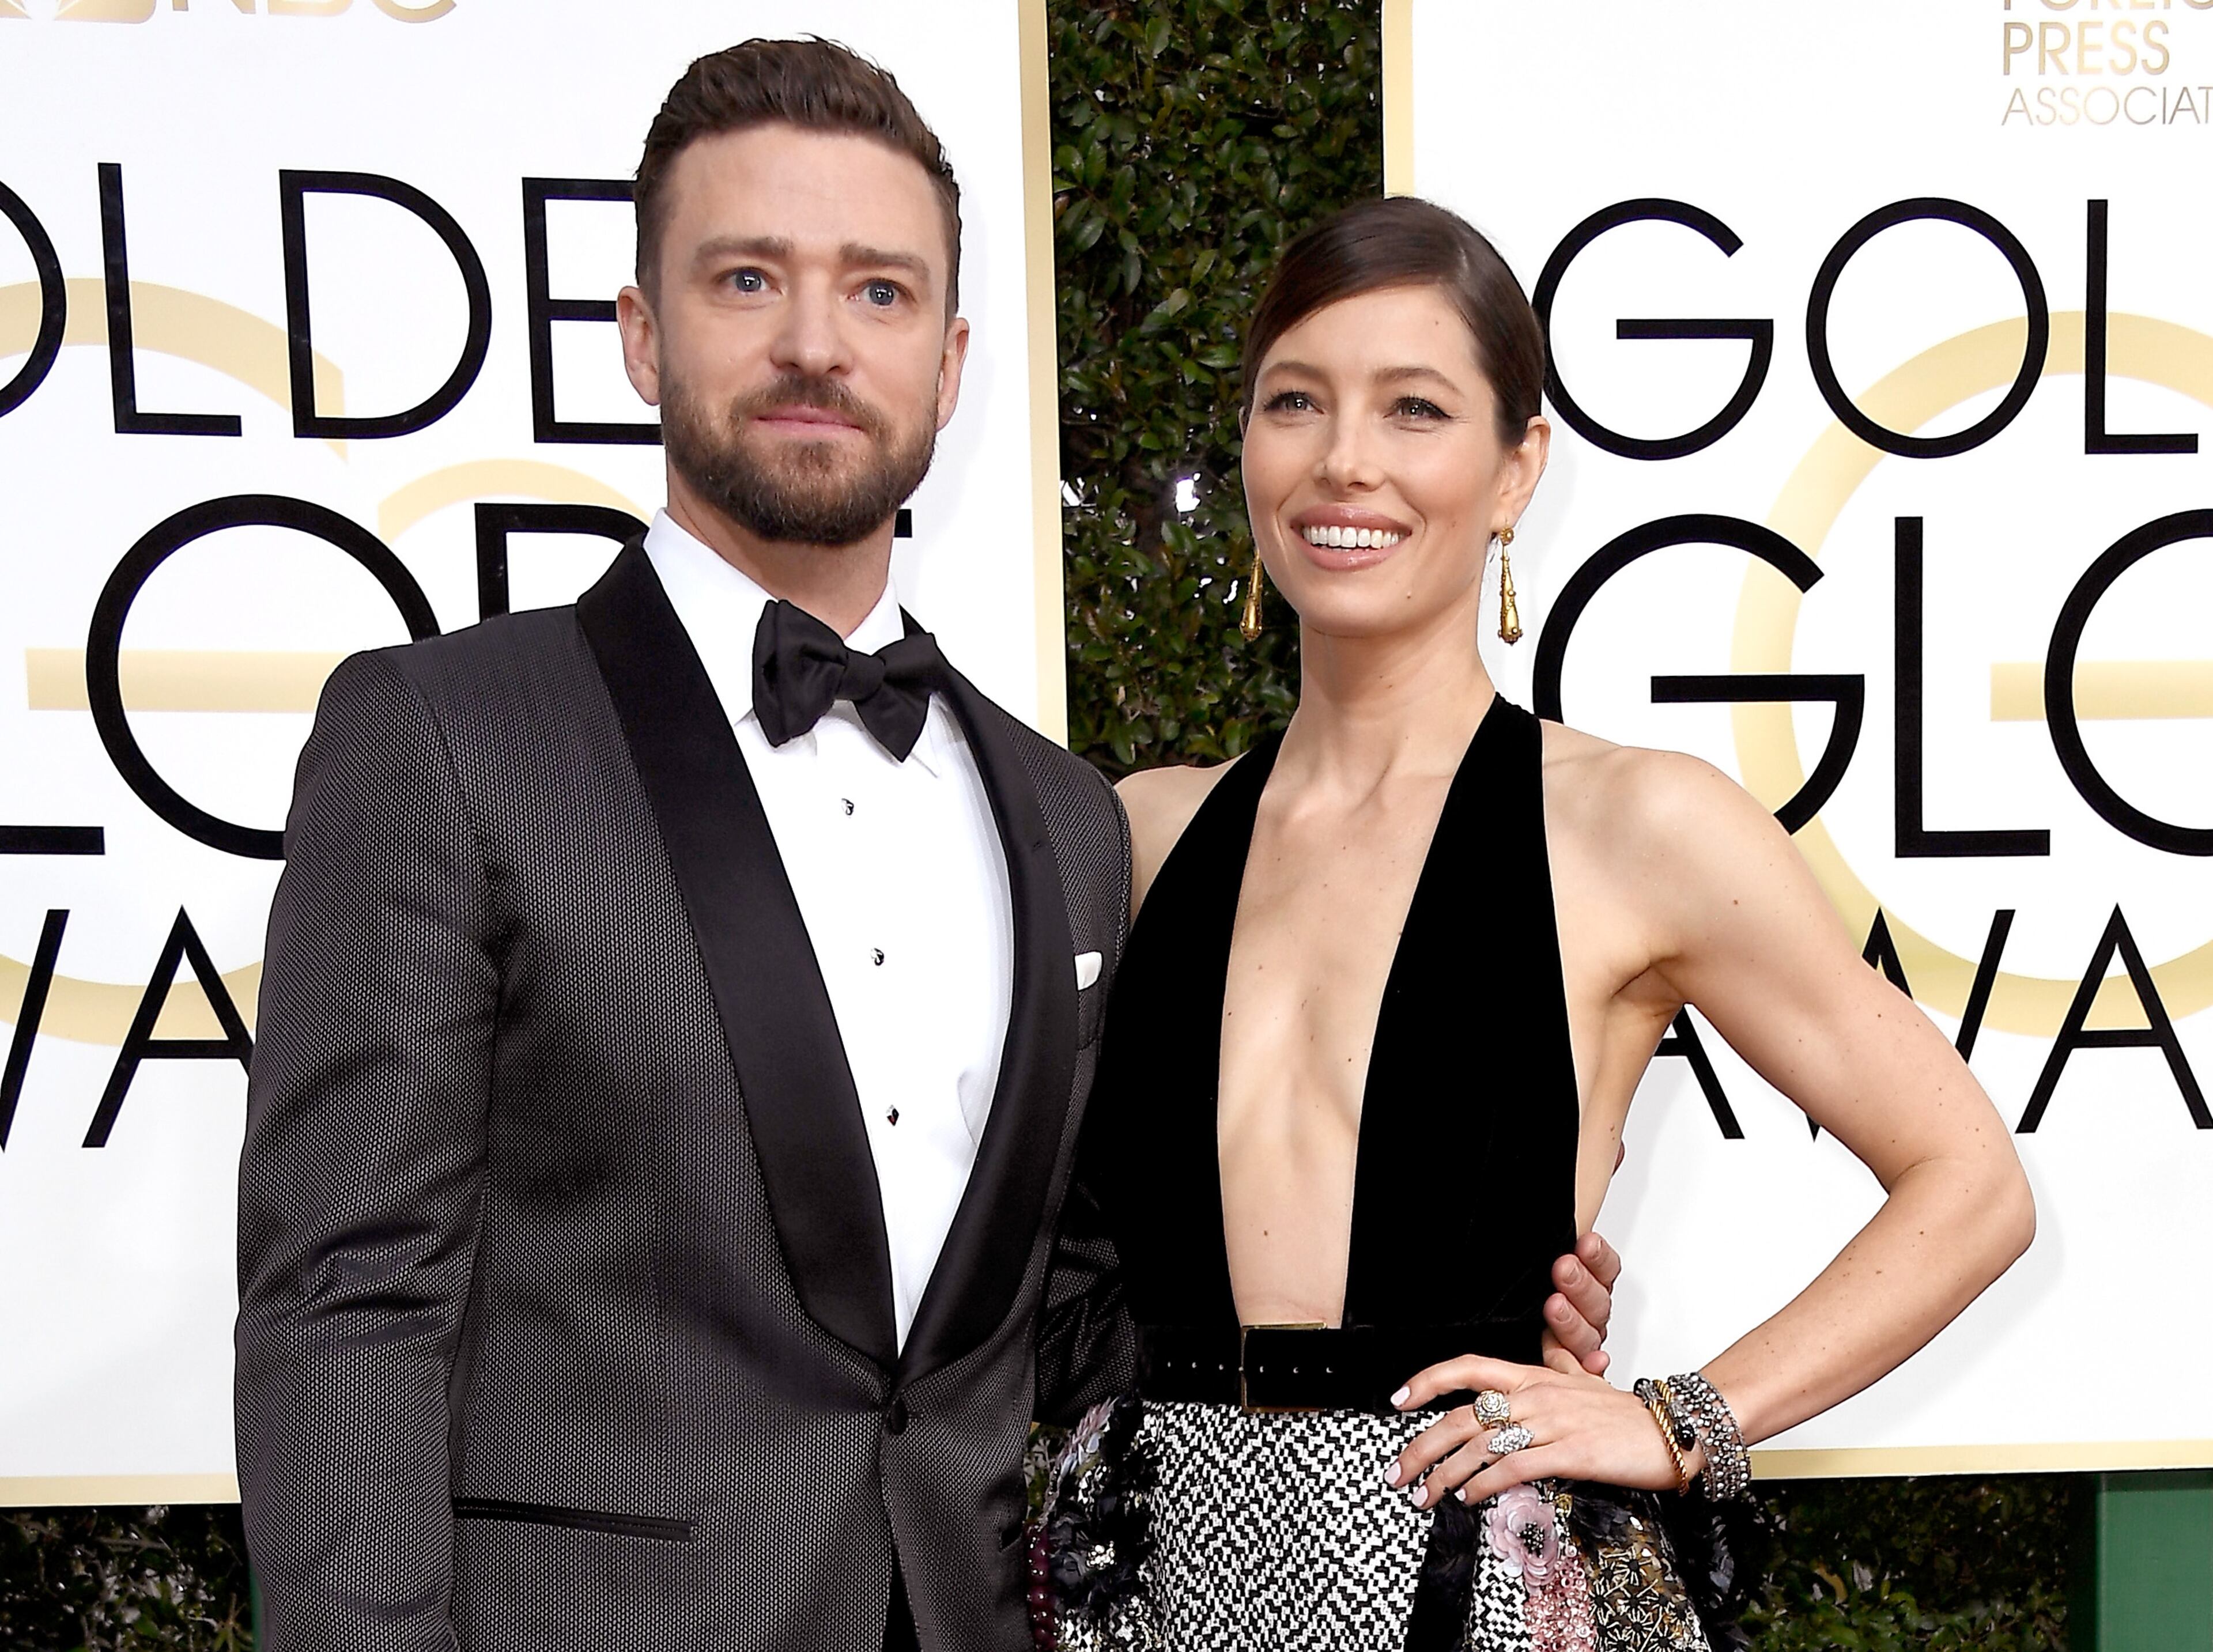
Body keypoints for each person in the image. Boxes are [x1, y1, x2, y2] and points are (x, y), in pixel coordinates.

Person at [232, 37, 1622, 1652]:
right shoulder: (446, 737)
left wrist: (1456, 1300)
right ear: (641, 331)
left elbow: (1079, 1312)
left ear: (952, 365)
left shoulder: (1063, 815)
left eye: (879, 292)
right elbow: (347, 1303)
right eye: (748, 278)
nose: (816, 341)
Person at [1036, 196, 2035, 1651]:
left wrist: (1682, 1422)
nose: (1346, 459)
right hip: (1157, 1580)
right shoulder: (1142, 835)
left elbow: (1972, 1184)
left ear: (1518, 469)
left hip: (1483, 1580)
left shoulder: (1637, 827)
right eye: (1296, 401)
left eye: (1416, 408)